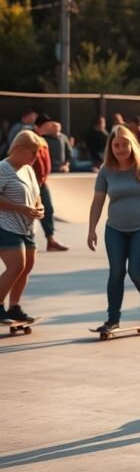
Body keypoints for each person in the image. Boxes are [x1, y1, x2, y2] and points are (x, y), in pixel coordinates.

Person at [87, 125, 140, 332]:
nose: (121, 149)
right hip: (115, 229)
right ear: (111, 147)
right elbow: (97, 202)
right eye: (116, 145)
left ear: (132, 145)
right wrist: (91, 230)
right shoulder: (106, 170)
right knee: (116, 273)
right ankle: (112, 319)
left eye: (125, 144)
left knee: (136, 271)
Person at [0, 131, 46, 324]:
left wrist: (39, 207)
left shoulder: (28, 169)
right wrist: (20, 208)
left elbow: (37, 195)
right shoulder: (3, 168)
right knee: (15, 266)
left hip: (27, 227)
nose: (36, 157)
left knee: (26, 267)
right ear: (19, 149)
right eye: (33, 152)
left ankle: (15, 306)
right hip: (6, 225)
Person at [31, 115, 68, 252]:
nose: (49, 129)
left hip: (41, 182)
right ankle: (20, 242)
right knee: (26, 212)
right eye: (46, 126)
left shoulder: (44, 141)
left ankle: (51, 240)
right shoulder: (28, 138)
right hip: (28, 182)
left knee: (48, 208)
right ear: (37, 127)